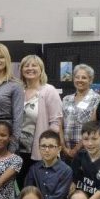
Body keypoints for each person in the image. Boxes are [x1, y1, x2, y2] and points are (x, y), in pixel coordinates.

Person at [18, 55, 63, 183]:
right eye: (26, 66)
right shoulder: (18, 90)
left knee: (39, 188)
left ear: (41, 69)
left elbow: (56, 122)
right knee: (23, 188)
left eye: (34, 65)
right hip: (19, 151)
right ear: (21, 70)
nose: (30, 68)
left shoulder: (49, 91)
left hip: (40, 151)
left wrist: (48, 146)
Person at [23, 130, 72, 199]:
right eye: (43, 146)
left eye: (51, 146)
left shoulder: (66, 170)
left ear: (59, 148)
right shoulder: (34, 168)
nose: (46, 150)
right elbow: (27, 190)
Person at [62, 64, 100, 160]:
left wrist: (76, 149)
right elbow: (60, 125)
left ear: (90, 80)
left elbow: (92, 126)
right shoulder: (66, 99)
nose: (80, 80)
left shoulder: (96, 98)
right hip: (65, 151)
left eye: (84, 77)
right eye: (77, 77)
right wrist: (63, 147)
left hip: (87, 150)